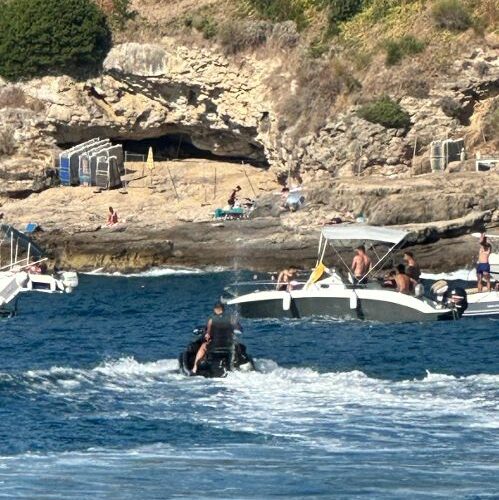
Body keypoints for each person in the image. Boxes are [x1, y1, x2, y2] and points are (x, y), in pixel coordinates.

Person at [192, 303, 238, 374]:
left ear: (215, 310)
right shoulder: (231, 318)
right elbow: (238, 328)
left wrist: (206, 336)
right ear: (223, 309)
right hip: (228, 345)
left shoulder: (211, 319)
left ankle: (195, 368)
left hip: (215, 346)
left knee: (203, 346)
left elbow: (208, 334)